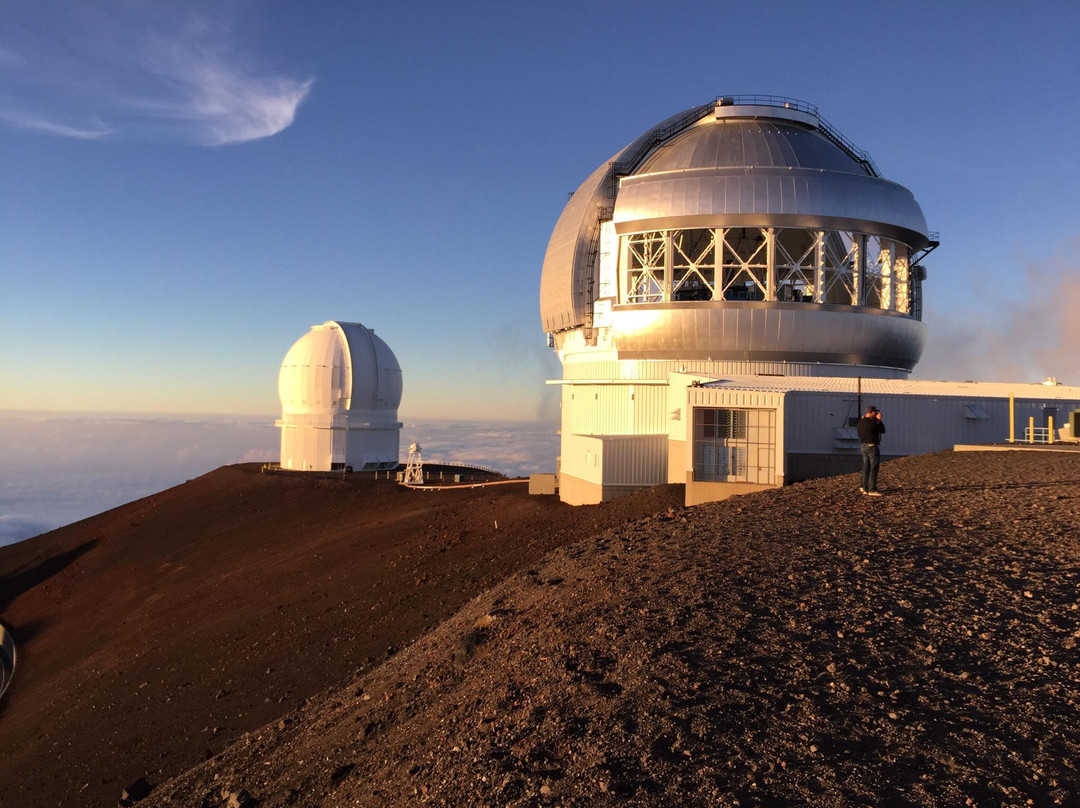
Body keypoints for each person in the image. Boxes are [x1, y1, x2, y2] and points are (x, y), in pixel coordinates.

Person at [856, 405, 886, 496]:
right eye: (875, 413)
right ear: (873, 413)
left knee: (866, 467)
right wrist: (879, 420)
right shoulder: (873, 423)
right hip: (872, 446)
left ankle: (864, 487)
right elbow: (882, 430)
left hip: (863, 445)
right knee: (873, 468)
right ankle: (871, 489)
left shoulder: (860, 422)